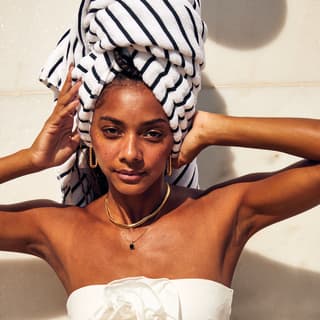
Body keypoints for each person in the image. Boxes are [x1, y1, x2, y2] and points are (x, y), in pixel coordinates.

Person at [1, 1, 320, 320]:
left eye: (152, 134)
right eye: (112, 131)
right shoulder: (61, 230)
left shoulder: (220, 215)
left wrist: (216, 129)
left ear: (174, 139)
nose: (130, 154)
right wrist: (31, 158)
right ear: (91, 136)